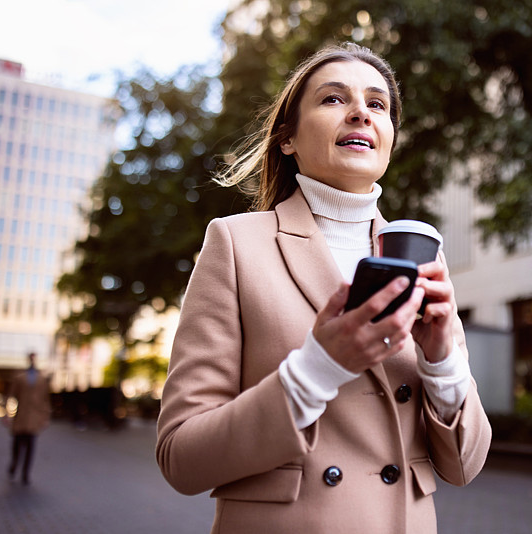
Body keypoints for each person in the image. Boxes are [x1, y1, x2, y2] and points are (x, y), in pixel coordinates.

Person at [156, 43, 491, 534]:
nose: (360, 113)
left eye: (377, 104)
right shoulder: (235, 244)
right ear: (287, 138)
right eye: (334, 98)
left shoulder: (422, 256)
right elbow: (181, 458)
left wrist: (441, 361)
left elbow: (464, 465)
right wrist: (317, 368)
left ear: (389, 137)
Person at [4, 352, 51, 485]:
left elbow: (45, 400)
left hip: (34, 418)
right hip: (21, 416)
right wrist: (8, 414)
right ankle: (14, 464)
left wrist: (45, 417)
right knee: (17, 445)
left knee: (30, 447)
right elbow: (11, 397)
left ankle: (25, 473)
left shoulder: (41, 380)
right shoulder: (19, 378)